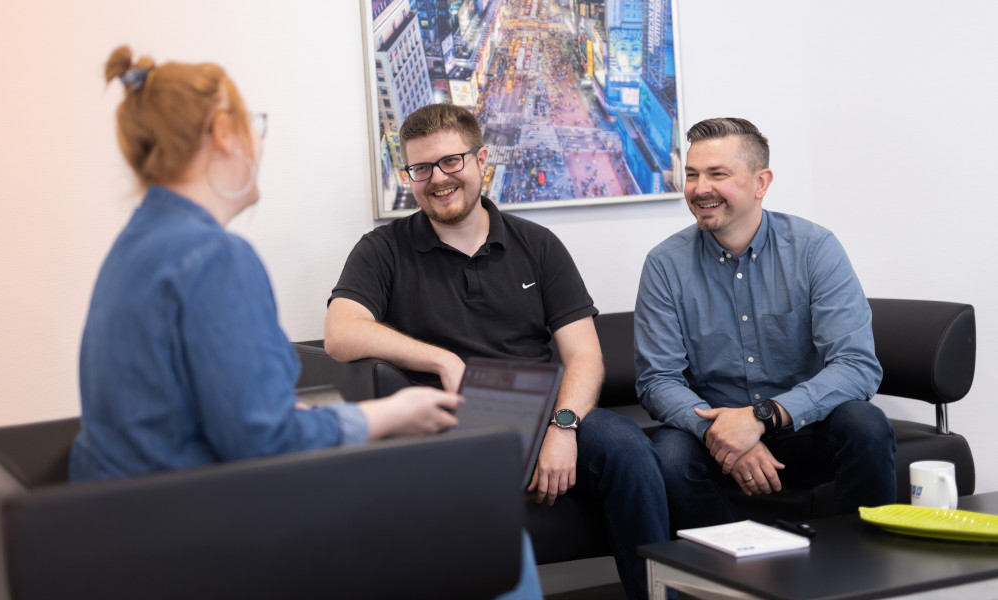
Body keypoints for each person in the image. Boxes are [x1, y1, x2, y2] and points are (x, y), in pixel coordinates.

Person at [69, 48, 543, 599]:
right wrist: (387, 414)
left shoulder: (137, 244)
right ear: (225, 134)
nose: (259, 145)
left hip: (130, 526)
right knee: (492, 530)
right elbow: (263, 440)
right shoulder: (216, 257)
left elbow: (187, 405)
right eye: (255, 127)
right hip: (199, 532)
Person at [325, 103, 668, 600]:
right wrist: (442, 359)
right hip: (452, 425)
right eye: (420, 168)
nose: (437, 179)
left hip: (544, 410)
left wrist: (564, 426)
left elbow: (586, 355)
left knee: (631, 450)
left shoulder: (537, 244)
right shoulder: (384, 249)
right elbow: (341, 333)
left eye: (450, 162)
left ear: (481, 159)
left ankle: (656, 595)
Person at [634, 117, 896, 531]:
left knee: (865, 424)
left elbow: (856, 366)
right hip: (714, 433)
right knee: (668, 455)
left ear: (761, 182)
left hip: (804, 425)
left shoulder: (814, 249)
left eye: (717, 174)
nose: (700, 188)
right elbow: (658, 381)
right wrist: (725, 436)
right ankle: (739, 582)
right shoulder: (665, 265)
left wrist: (761, 417)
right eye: (692, 175)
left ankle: (863, 576)